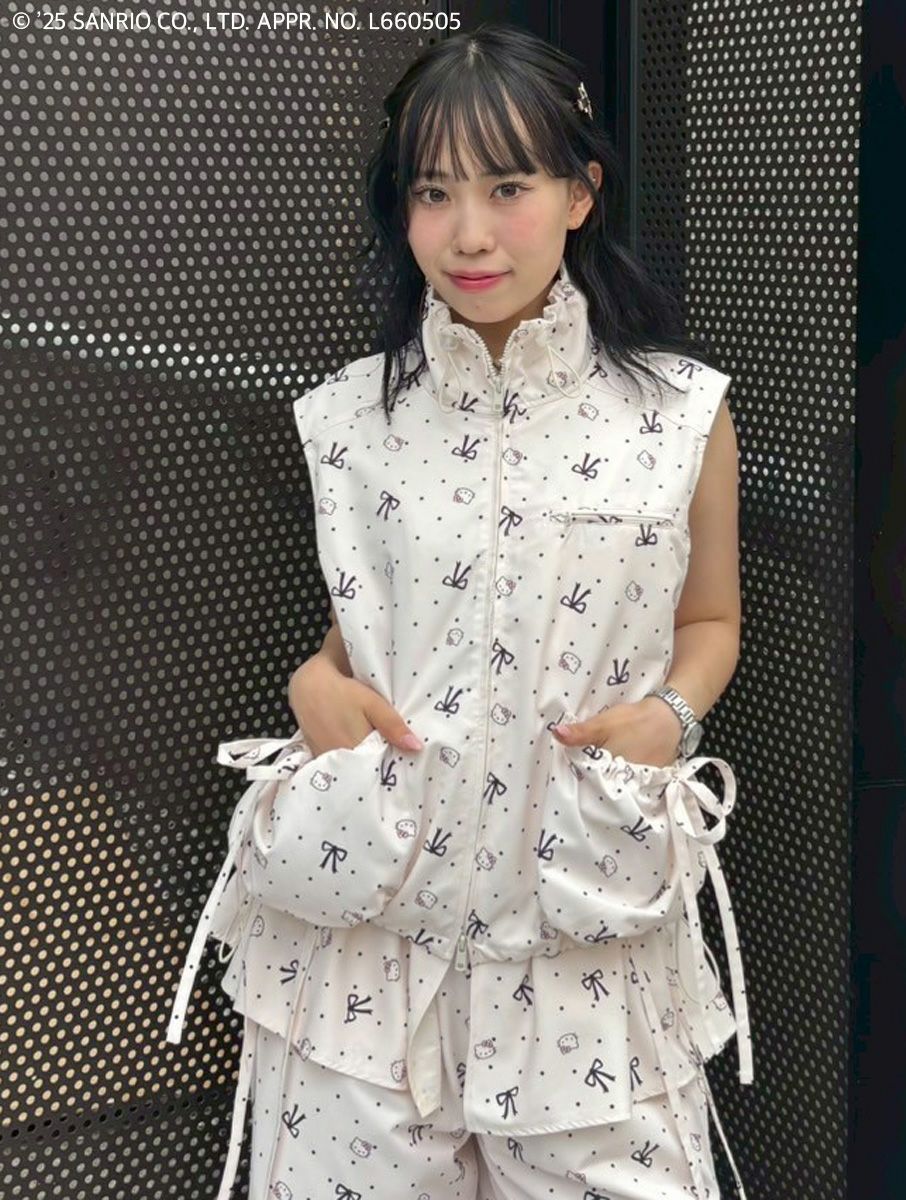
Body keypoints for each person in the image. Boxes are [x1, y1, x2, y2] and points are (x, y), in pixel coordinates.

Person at [165, 22, 753, 1200]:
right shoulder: (350, 418)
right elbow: (370, 627)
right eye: (433, 192)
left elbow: (711, 621)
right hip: (370, 934)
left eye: (507, 187)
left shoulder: (678, 415)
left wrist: (669, 722)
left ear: (580, 194)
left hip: (580, 928)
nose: (469, 232)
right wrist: (314, 685)